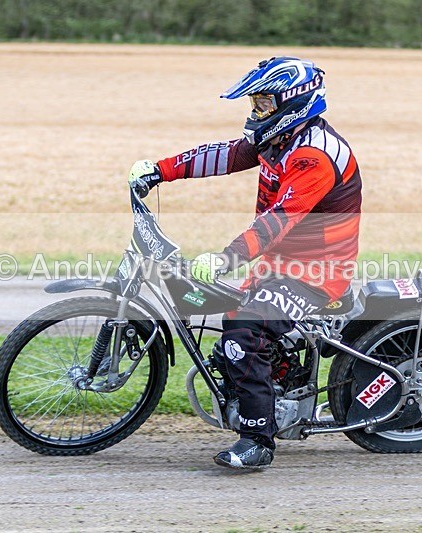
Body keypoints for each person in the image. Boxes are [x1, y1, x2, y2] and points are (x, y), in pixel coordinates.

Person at [128, 57, 362, 470]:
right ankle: (272, 378)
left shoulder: (314, 157)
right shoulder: (281, 138)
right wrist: (159, 170)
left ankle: (258, 438)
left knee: (242, 333)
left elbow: (276, 222)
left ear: (294, 103)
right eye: (255, 104)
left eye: (263, 104)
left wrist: (225, 259)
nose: (256, 113)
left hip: (313, 275)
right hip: (278, 264)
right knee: (225, 317)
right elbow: (225, 156)